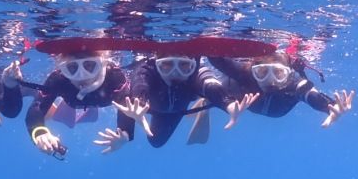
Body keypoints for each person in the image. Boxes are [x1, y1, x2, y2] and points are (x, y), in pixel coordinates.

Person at [94, 54, 257, 153]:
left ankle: (204, 104)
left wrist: (228, 105)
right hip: (149, 109)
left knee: (156, 141)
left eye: (184, 66)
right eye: (166, 65)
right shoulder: (146, 71)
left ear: (193, 66)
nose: (175, 72)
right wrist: (125, 135)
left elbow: (210, 84)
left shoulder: (195, 74)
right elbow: (138, 85)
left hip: (174, 111)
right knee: (154, 141)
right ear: (157, 63)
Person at [24, 51, 136, 158]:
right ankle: (58, 105)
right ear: (63, 69)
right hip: (73, 102)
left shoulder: (114, 76)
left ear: (102, 63)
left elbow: (127, 109)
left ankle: (82, 111)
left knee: (75, 115)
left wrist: (125, 136)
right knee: (60, 108)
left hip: (80, 101)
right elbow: (37, 107)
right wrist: (39, 132)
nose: (82, 75)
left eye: (90, 66)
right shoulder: (58, 78)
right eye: (72, 68)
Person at [208, 51, 354, 127]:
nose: (270, 80)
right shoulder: (244, 73)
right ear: (253, 70)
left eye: (278, 73)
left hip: (275, 109)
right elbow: (214, 56)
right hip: (236, 96)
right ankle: (207, 96)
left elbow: (311, 95)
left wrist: (331, 108)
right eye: (262, 72)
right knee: (221, 82)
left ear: (288, 74)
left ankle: (208, 97)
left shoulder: (294, 83)